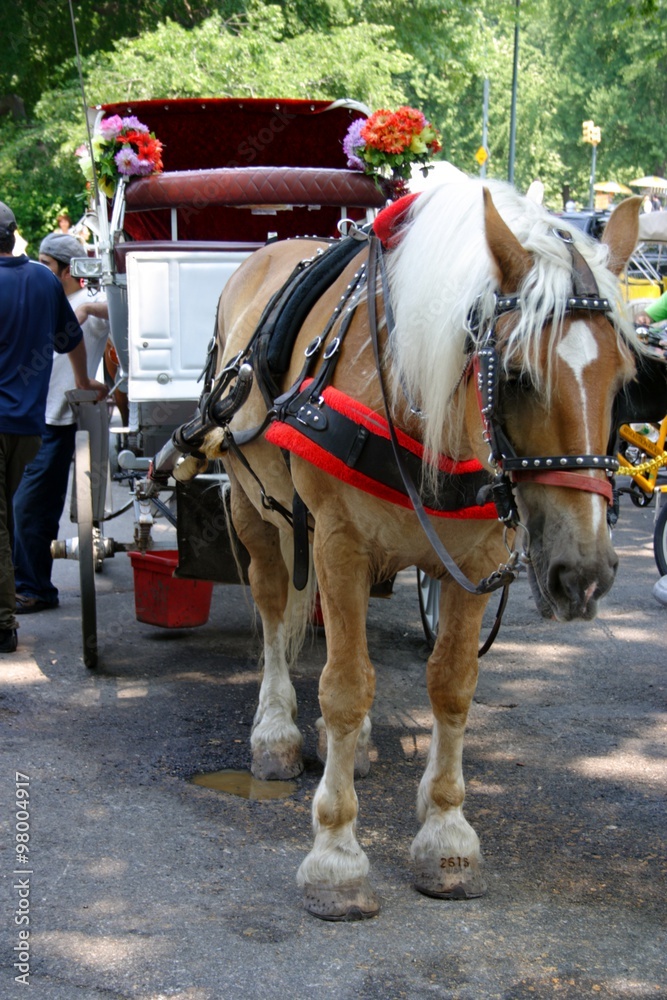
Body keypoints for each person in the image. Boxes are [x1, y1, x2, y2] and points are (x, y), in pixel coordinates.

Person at [0, 203, 107, 653]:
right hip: (30, 423)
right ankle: (23, 593)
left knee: (18, 514)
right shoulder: (44, 283)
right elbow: (72, 340)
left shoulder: (65, 293)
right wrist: (85, 381)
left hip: (37, 419)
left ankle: (9, 615)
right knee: (16, 513)